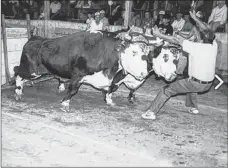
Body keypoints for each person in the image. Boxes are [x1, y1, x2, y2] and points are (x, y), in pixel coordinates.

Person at [141, 10, 218, 120]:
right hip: (208, 83)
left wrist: (159, 34)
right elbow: (208, 31)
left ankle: (151, 112)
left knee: (166, 90)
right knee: (190, 82)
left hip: (197, 83)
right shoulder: (214, 46)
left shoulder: (196, 47)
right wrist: (195, 18)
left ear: (201, 37)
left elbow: (175, 39)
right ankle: (193, 107)